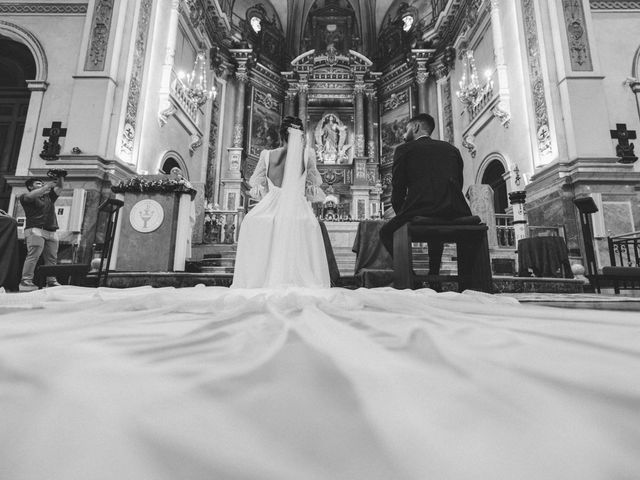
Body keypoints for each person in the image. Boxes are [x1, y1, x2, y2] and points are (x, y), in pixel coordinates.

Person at [231, 116, 330, 288]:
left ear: (281, 134)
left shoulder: (267, 155)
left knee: (251, 221)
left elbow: (257, 186)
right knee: (309, 225)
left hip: (270, 206)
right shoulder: (308, 155)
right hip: (297, 207)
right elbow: (313, 187)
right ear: (300, 136)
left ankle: (256, 281)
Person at [379, 113, 472, 278]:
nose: (403, 134)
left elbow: (398, 189)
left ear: (415, 127)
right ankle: (434, 274)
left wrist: (402, 215)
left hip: (420, 209)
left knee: (385, 232)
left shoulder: (403, 150)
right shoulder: (452, 149)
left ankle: (411, 276)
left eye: (406, 129)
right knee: (436, 229)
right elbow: (459, 182)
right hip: (454, 210)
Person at [19, 173, 65, 291]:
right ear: (30, 187)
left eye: (42, 183)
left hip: (51, 230)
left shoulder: (49, 197)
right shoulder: (25, 196)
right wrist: (46, 186)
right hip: (35, 229)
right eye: (38, 183)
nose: (42, 185)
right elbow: (30, 197)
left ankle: (51, 281)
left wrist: (61, 176)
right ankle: (26, 281)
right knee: (33, 255)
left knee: (52, 258)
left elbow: (60, 187)